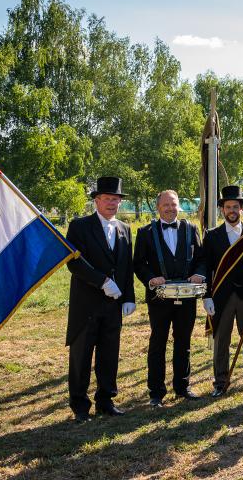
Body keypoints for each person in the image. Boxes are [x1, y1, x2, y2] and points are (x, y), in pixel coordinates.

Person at [64, 176, 136, 422]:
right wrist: (102, 281)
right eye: (107, 199)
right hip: (86, 304)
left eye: (115, 199)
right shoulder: (79, 226)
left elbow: (126, 267)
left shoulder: (124, 229)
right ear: (96, 200)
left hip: (113, 305)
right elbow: (74, 263)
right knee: (81, 356)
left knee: (109, 354)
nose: (111, 203)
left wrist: (129, 297)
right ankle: (80, 406)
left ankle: (105, 401)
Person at [133, 190, 207, 406]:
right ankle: (156, 392)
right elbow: (139, 263)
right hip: (159, 298)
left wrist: (199, 274)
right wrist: (151, 278)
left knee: (184, 341)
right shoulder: (145, 232)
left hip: (187, 297)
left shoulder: (191, 228)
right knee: (158, 342)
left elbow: (202, 259)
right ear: (158, 207)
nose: (170, 208)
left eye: (173, 204)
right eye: (166, 205)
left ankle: (182, 387)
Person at [203, 185, 243, 397]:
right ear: (222, 210)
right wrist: (206, 296)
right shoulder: (212, 236)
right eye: (228, 207)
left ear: (242, 209)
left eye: (235, 207)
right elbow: (206, 268)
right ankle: (220, 381)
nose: (232, 211)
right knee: (221, 339)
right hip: (222, 296)